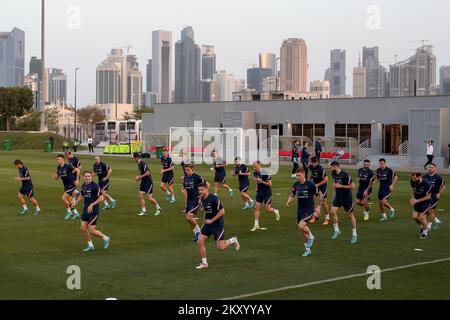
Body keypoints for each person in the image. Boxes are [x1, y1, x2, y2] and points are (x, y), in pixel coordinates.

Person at [195, 183, 240, 270]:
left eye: (201, 190)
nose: (200, 191)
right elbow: (205, 210)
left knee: (221, 247)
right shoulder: (201, 198)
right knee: (200, 241)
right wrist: (204, 219)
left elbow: (222, 211)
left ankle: (233, 240)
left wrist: (211, 220)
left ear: (206, 189)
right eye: (199, 190)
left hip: (217, 224)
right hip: (208, 223)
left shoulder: (214, 199)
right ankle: (204, 263)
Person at [72, 171, 111, 252]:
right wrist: (75, 203)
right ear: (83, 177)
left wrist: (92, 204)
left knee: (91, 230)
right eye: (86, 176)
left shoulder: (95, 186)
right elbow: (82, 195)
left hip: (94, 211)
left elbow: (101, 198)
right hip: (85, 209)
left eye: (89, 176)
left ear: (91, 177)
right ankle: (90, 245)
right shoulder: (84, 185)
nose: (87, 177)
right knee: (83, 228)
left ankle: (105, 238)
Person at [286, 168, 320, 257]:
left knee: (301, 225)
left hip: (309, 209)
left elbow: (319, 195)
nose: (297, 177)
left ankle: (311, 237)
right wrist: (289, 201)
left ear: (304, 174)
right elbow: (292, 194)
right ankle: (307, 249)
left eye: (299, 175)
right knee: (301, 229)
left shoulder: (310, 184)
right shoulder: (296, 185)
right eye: (296, 175)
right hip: (300, 209)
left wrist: (318, 207)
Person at [329, 161, 358, 244]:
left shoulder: (345, 175)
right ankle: (337, 230)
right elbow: (335, 183)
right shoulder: (333, 174)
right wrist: (334, 192)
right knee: (333, 212)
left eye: (331, 167)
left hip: (347, 198)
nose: (330, 168)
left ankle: (354, 234)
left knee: (350, 216)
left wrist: (340, 186)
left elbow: (353, 186)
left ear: (335, 166)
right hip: (338, 197)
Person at [251, 161, 280, 232]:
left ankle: (275, 211)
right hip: (259, 192)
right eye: (253, 166)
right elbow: (257, 181)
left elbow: (270, 184)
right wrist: (256, 187)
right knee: (256, 207)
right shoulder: (255, 173)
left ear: (259, 165)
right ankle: (256, 224)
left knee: (268, 209)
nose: (254, 168)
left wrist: (261, 181)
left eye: (255, 166)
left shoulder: (265, 173)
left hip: (267, 193)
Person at [183, 163, 208, 242]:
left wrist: (203, 197)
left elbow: (207, 185)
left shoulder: (197, 177)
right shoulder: (186, 177)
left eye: (188, 170)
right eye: (185, 170)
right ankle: (196, 233)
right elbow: (186, 189)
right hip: (190, 200)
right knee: (188, 219)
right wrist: (186, 202)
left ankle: (200, 233)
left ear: (192, 169)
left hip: (196, 200)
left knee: (189, 217)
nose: (186, 171)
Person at [53, 154, 81, 220]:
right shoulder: (59, 167)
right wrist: (55, 177)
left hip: (71, 184)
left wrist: (77, 180)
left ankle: (69, 212)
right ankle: (76, 213)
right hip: (66, 185)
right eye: (57, 159)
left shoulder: (68, 166)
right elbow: (58, 176)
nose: (57, 161)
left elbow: (78, 170)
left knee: (63, 198)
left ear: (63, 159)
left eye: (59, 159)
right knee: (69, 200)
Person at [374, 158, 398, 222]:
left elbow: (396, 177)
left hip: (388, 189)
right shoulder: (378, 170)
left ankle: (392, 209)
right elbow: (378, 179)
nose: (380, 164)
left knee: (384, 202)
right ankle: (384, 216)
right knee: (380, 204)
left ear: (385, 163)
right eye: (379, 163)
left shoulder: (389, 170)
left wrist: (392, 185)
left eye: (382, 163)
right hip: (381, 188)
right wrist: (374, 182)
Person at [410, 172, 432, 239]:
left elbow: (428, 197)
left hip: (426, 202)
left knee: (421, 217)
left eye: (414, 178)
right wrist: (413, 198)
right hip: (417, 200)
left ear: (419, 177)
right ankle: (422, 226)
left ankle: (425, 232)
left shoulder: (427, 184)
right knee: (414, 217)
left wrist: (417, 200)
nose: (413, 180)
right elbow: (413, 190)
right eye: (412, 178)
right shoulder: (413, 181)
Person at [423, 164, 446, 230]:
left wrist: (439, 193)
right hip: (427, 196)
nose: (430, 168)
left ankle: (429, 225)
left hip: (434, 197)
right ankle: (436, 220)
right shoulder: (424, 176)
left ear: (435, 169)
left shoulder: (438, 178)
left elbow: (443, 186)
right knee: (426, 210)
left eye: (432, 167)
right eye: (429, 167)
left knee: (430, 210)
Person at [309, 156, 330, 225]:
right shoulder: (311, 167)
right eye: (312, 163)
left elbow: (326, 179)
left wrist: (318, 184)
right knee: (311, 200)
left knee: (324, 202)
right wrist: (309, 180)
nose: (314, 164)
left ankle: (327, 218)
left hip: (323, 186)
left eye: (315, 163)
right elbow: (312, 174)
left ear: (317, 162)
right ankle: (316, 216)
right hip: (315, 186)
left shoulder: (320, 169)